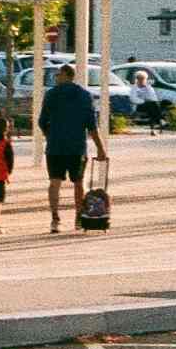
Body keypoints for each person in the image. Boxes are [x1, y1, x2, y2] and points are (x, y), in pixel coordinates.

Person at [37, 65, 107, 236]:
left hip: (55, 146)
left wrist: (50, 135)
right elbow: (92, 126)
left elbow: (42, 121)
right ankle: (78, 217)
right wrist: (100, 148)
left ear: (67, 75)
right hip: (77, 147)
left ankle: (55, 219)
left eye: (58, 74)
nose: (56, 77)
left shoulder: (51, 94)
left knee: (54, 182)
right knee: (78, 183)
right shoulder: (84, 96)